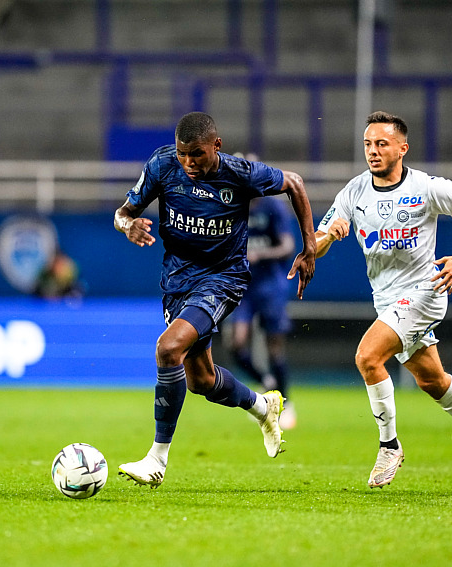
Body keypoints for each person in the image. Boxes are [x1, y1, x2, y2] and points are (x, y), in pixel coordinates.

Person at [113, 112, 316, 488]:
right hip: (178, 281)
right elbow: (122, 214)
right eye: (183, 154)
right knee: (201, 381)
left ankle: (156, 458)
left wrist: (310, 248)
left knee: (168, 348)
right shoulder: (162, 165)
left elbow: (296, 184)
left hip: (224, 278)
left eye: (198, 154)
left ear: (216, 146)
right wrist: (129, 225)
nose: (189, 162)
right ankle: (262, 406)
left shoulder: (240, 173)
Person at [314, 111, 452, 488]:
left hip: (426, 291)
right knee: (432, 381)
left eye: (382, 144)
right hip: (386, 300)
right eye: (368, 144)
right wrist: (328, 237)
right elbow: (316, 244)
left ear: (403, 148)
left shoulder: (427, 187)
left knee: (368, 356)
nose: (373, 151)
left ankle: (390, 446)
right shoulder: (354, 191)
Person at [227, 193, 298, 429]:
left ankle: (285, 404)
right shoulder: (232, 207)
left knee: (274, 347)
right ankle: (267, 384)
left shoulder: (272, 207)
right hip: (243, 287)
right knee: (237, 344)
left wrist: (259, 254)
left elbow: (287, 246)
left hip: (270, 286)